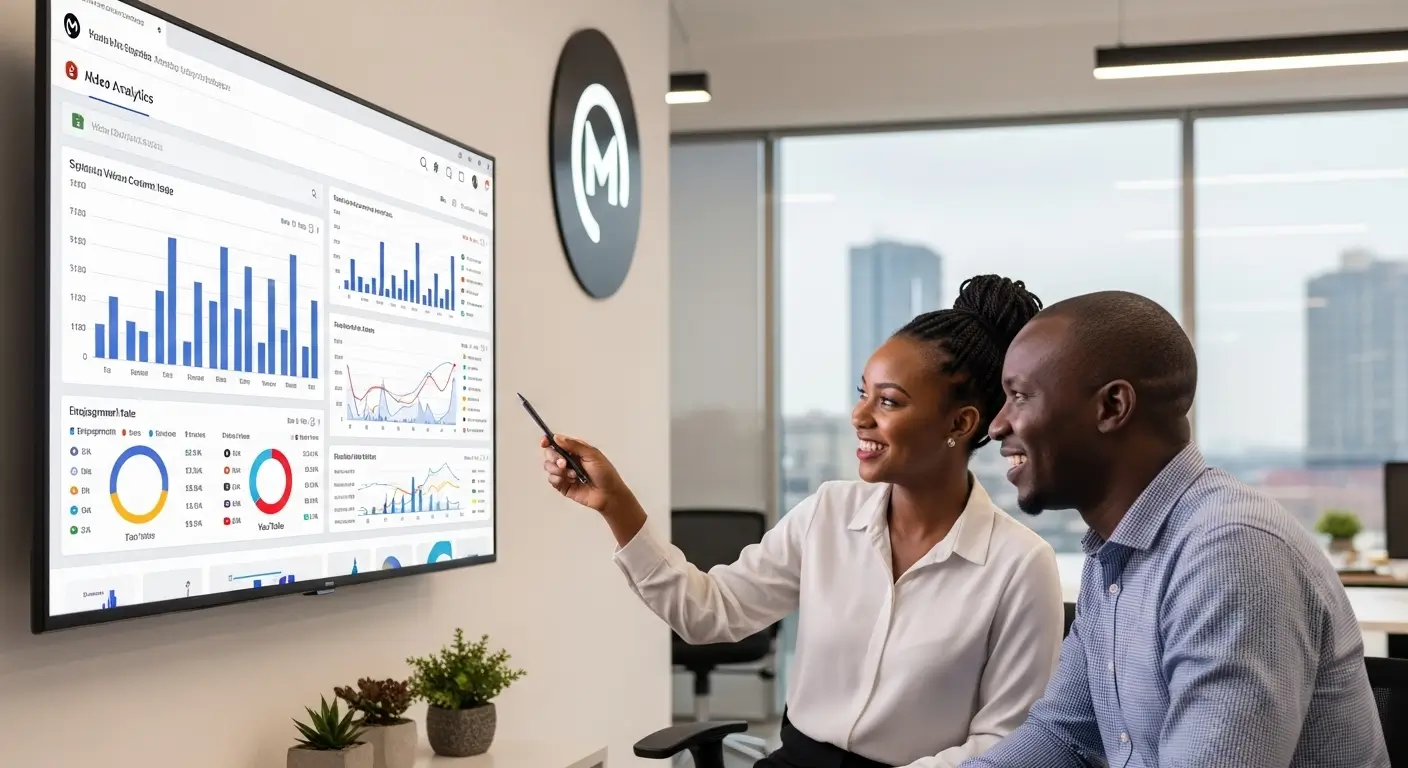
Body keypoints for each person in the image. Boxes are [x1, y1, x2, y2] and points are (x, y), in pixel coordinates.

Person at [541, 276, 1064, 768]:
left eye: (888, 402)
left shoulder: (1019, 566)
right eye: (862, 393)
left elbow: (1004, 745)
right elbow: (706, 612)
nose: (860, 416)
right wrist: (617, 506)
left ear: (960, 423)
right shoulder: (828, 514)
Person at [962, 291, 1389, 768]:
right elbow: (1064, 737)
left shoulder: (1231, 551)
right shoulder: (1116, 556)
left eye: (1019, 396)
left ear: (1112, 407)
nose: (997, 425)